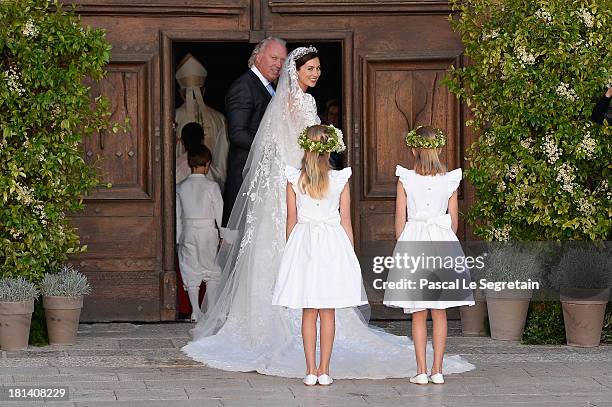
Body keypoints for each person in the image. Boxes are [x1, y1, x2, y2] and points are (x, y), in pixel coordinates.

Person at [182, 47, 474, 378]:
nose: (316, 73)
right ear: (297, 71)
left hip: (308, 180)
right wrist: (307, 171)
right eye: (311, 68)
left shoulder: (303, 101)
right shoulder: (296, 102)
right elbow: (280, 143)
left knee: (312, 287)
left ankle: (316, 366)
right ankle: (321, 359)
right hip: (305, 181)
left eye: (319, 68)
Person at [272, 125, 367, 386]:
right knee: (328, 311)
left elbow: (291, 220)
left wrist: (290, 252)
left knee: (308, 310)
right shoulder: (339, 180)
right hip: (331, 244)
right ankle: (325, 369)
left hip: (304, 244)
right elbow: (346, 221)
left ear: (305, 148)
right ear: (329, 149)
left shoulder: (295, 179)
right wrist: (350, 253)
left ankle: (310, 370)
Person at [383, 125, 474, 385]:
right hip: (441, 242)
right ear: (440, 149)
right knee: (440, 311)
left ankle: (421, 370)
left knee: (419, 312)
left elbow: (399, 224)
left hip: (414, 242)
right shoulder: (449, 180)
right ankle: (438, 371)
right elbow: (454, 222)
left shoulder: (406, 179)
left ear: (413, 150)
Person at [223, 37, 288, 225]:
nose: (278, 64)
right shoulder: (244, 87)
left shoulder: (270, 87)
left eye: (283, 60)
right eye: (274, 58)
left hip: (266, 176)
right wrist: (274, 148)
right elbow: (237, 133)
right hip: (248, 175)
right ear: (258, 57)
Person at [176, 144, 223, 322]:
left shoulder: (181, 187)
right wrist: (221, 232)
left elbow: (178, 215)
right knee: (210, 269)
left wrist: (178, 237)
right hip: (207, 231)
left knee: (190, 269)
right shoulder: (212, 187)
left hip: (188, 230)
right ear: (208, 163)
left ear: (189, 163)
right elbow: (218, 211)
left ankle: (195, 311)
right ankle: (210, 310)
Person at [175, 55, 229, 188]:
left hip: (178, 181)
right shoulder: (220, 118)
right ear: (203, 91)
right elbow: (222, 161)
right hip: (211, 181)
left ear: (180, 93)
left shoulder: (171, 117)